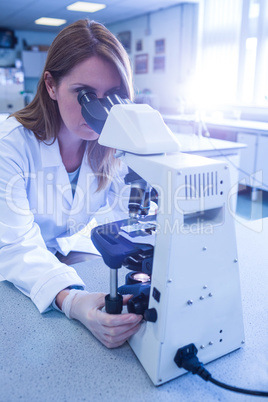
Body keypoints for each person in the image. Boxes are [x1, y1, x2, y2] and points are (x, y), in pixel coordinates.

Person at [0, 19, 142, 348]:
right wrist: (73, 301)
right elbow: (15, 246)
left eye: (112, 97)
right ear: (51, 85)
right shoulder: (11, 145)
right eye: (85, 94)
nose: (99, 111)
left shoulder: (110, 146)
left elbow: (121, 221)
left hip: (58, 255)